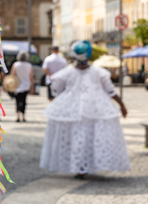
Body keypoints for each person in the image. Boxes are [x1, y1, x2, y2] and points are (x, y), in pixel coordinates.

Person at [40, 40, 130, 179]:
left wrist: (62, 99)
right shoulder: (99, 72)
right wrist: (122, 105)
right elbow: (110, 91)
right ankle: (86, 165)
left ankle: (80, 167)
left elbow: (55, 90)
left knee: (76, 138)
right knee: (90, 138)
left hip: (72, 109)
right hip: (95, 108)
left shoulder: (66, 72)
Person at [10, 51, 34, 122]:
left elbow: (12, 75)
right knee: (24, 101)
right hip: (26, 85)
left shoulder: (15, 64)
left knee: (17, 101)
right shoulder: (29, 65)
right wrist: (32, 87)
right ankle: (23, 117)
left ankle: (18, 116)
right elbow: (31, 77)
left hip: (17, 85)